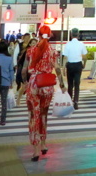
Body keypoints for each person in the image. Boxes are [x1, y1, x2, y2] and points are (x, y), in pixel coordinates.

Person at [25, 25, 63, 161]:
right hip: (47, 85)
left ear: (38, 34)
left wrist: (24, 83)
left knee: (33, 117)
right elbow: (57, 68)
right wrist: (63, 85)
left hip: (34, 84)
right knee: (43, 116)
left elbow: (25, 70)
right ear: (50, 35)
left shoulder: (31, 50)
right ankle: (43, 144)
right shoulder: (53, 51)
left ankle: (35, 150)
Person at [61, 28, 87, 110]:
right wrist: (84, 64)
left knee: (70, 84)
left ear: (71, 35)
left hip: (70, 65)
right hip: (78, 65)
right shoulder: (81, 44)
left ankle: (69, 101)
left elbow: (65, 57)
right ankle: (76, 101)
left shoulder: (68, 44)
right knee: (77, 84)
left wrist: (63, 67)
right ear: (78, 35)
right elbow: (85, 56)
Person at [0, 41, 14, 126]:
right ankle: (3, 120)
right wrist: (11, 82)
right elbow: (11, 71)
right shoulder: (9, 58)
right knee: (4, 102)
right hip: (5, 82)